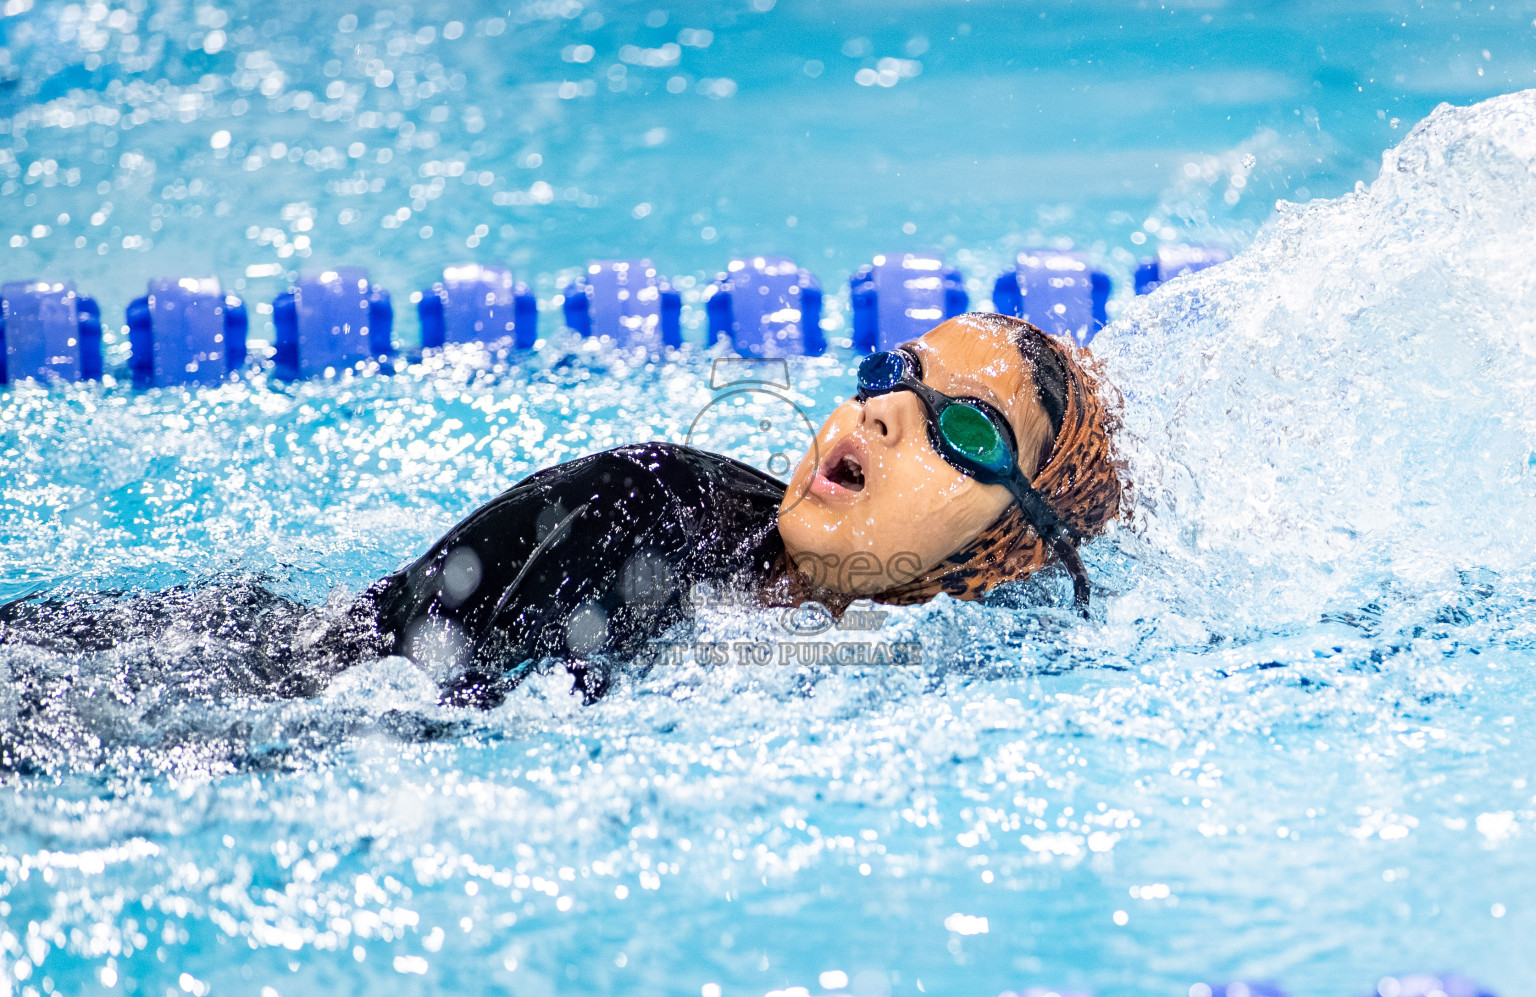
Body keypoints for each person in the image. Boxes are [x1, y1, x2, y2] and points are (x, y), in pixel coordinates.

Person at [0, 313, 1123, 707]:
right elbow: (391, 721)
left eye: (964, 429)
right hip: (187, 677)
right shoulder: (645, 516)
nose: (882, 411)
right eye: (892, 372)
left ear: (1006, 551)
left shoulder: (945, 663)